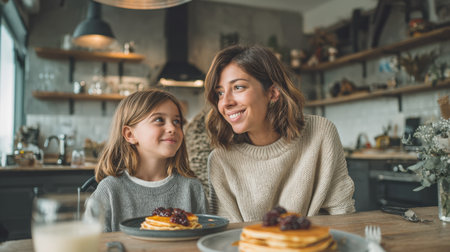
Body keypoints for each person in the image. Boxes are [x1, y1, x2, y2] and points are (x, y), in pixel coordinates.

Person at [204, 45, 355, 223]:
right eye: (220, 93)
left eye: (238, 87)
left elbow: (342, 213)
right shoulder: (220, 160)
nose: (226, 102)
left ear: (273, 92)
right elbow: (227, 235)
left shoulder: (320, 133)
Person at [90, 89, 208, 232]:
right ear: (130, 134)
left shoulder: (192, 188)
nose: (172, 128)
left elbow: (206, 239)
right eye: (159, 120)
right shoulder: (109, 190)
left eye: (177, 121)